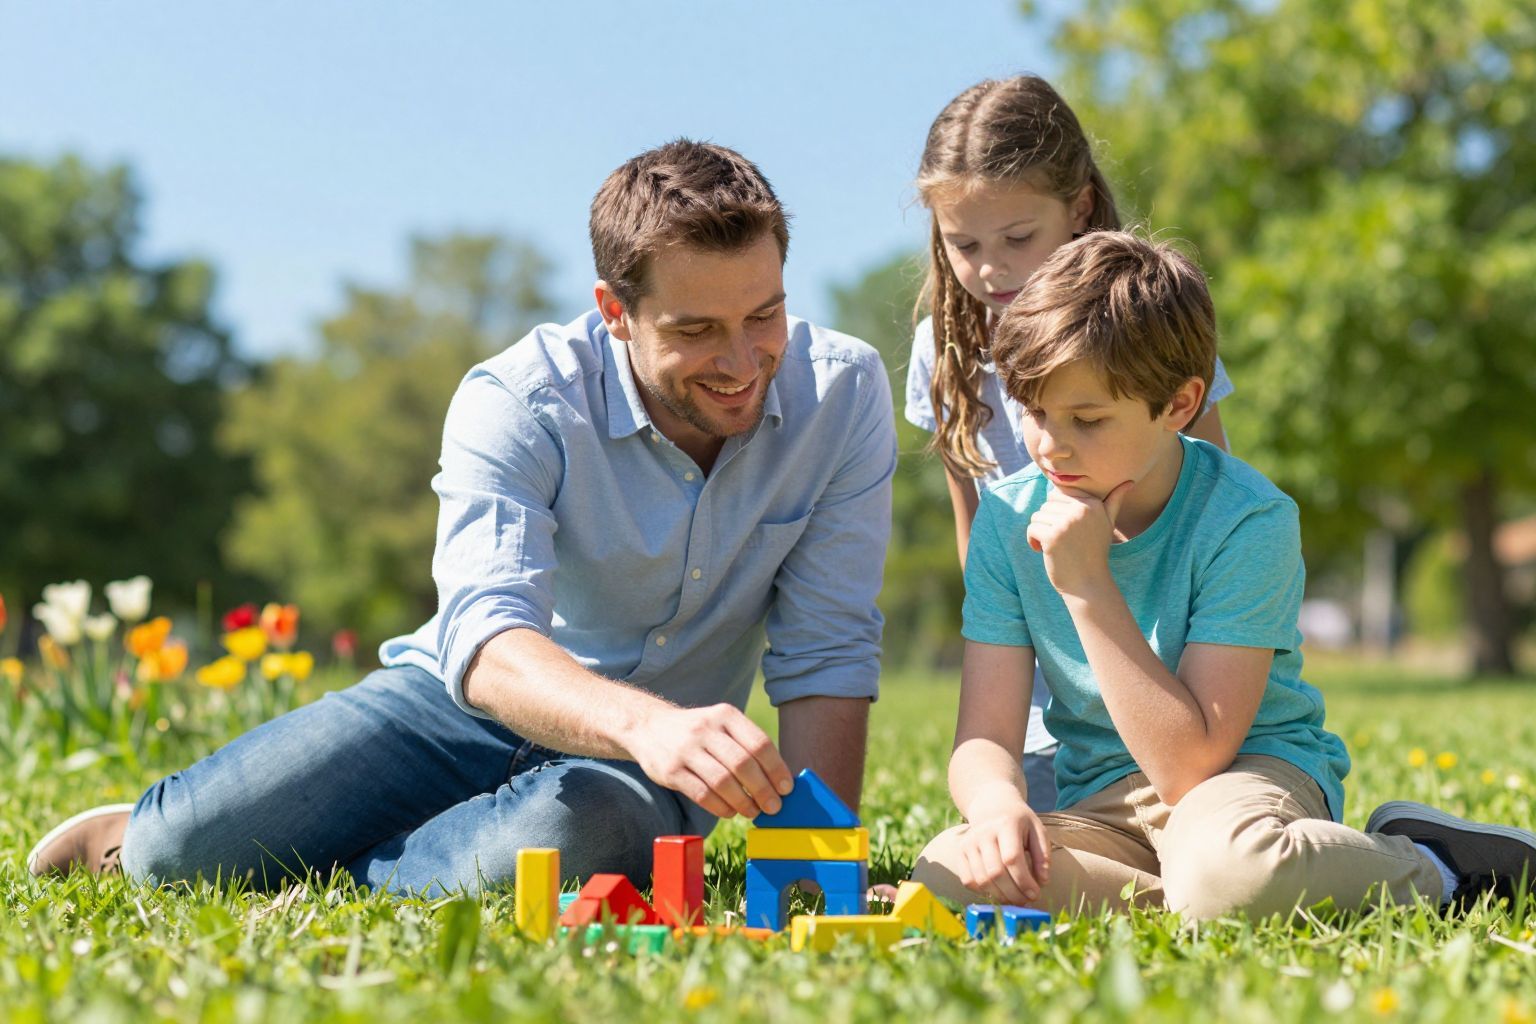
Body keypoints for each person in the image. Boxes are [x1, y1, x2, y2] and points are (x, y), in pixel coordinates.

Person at [28, 140, 897, 897]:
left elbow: (827, 645)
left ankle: (352, 859)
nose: (745, 361)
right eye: (698, 329)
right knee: (176, 854)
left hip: (637, 773)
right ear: (614, 312)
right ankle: (165, 834)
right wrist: (645, 720)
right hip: (453, 711)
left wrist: (811, 864)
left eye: (766, 313)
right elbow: (486, 638)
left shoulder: (842, 394)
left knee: (563, 842)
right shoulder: (519, 399)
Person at [910, 231, 1536, 919]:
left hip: (1245, 776)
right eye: (1034, 413)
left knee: (1227, 864)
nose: (1049, 446)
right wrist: (997, 806)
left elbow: (1191, 764)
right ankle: (1206, 899)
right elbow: (985, 738)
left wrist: (1086, 584)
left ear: (1180, 405)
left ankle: (1437, 866)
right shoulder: (1007, 520)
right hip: (1107, 810)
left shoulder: (1249, 518)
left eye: (1087, 420)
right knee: (947, 871)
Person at [904, 75, 1237, 813]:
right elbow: (979, 542)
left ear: (1079, 206)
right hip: (1051, 706)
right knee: (1014, 846)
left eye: (1018, 238)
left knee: (1195, 822)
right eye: (963, 243)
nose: (991, 267)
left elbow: (1215, 503)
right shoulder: (946, 350)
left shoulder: (1147, 323)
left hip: (1169, 674)